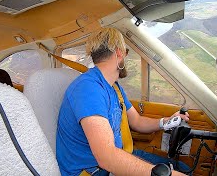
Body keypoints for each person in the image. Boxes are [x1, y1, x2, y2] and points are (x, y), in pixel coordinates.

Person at [56, 27, 190, 176]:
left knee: (182, 168)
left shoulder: (114, 87)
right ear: (119, 52)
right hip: (93, 171)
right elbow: (106, 157)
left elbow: (137, 121)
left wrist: (165, 122)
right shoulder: (88, 89)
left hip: (113, 159)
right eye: (125, 52)